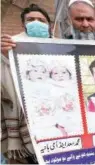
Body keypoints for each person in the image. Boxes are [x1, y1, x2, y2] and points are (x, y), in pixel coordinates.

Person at [1, 3, 53, 164]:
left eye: (41, 20)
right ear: (23, 24)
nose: (36, 23)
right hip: (25, 128)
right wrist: (5, 56)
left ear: (49, 25)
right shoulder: (9, 47)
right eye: (31, 20)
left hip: (54, 124)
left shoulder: (60, 47)